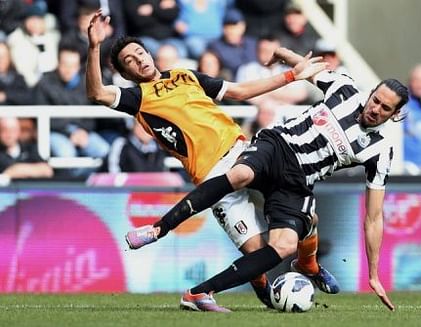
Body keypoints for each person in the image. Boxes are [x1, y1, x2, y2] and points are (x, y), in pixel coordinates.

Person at [86, 9, 337, 309]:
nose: (139, 59)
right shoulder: (137, 98)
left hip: (247, 154)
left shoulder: (185, 75)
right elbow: (97, 93)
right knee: (259, 253)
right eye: (130, 61)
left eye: (140, 52)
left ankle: (307, 262)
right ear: (126, 74)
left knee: (306, 217)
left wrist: (291, 75)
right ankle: (255, 280)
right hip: (213, 177)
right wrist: (94, 46)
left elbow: (241, 91)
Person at [127, 47, 409, 312]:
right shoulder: (344, 89)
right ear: (370, 93)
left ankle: (200, 293)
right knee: (240, 174)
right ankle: (158, 229)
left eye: (385, 109)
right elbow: (306, 69)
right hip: (277, 146)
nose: (375, 109)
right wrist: (282, 54)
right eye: (376, 100)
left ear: (395, 115)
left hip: (298, 180)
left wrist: (373, 274)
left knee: (286, 244)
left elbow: (374, 217)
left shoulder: (381, 151)